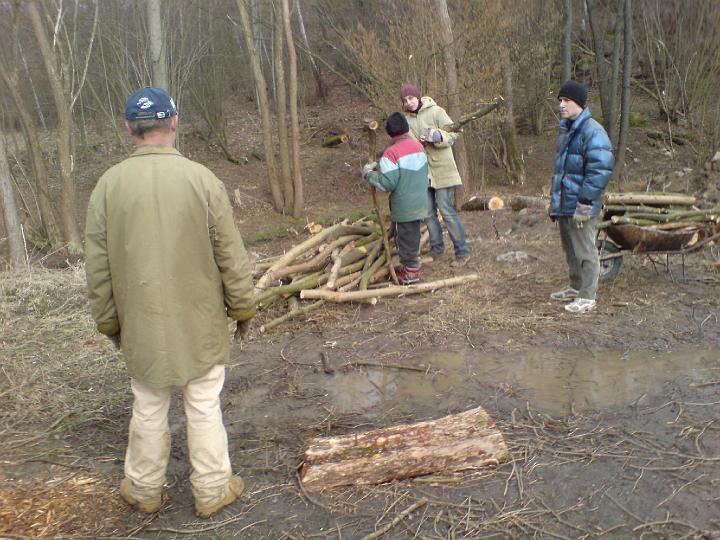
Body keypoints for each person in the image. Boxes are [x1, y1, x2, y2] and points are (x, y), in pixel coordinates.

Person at [85, 87, 256, 517]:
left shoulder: (108, 186)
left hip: (141, 322)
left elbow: (98, 269)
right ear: (174, 123)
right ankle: (213, 488)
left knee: (147, 402)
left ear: (129, 128)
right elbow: (230, 256)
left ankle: (143, 488)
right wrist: (242, 307)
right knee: (202, 402)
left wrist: (109, 322)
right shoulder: (202, 180)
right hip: (199, 320)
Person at [549, 80, 614, 314]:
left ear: (579, 103)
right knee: (570, 249)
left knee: (586, 250)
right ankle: (576, 287)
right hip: (566, 202)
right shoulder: (567, 129)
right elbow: (563, 170)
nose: (562, 106)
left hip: (582, 204)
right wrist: (556, 203)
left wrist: (585, 201)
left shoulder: (592, 130)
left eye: (566, 101)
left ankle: (587, 296)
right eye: (560, 101)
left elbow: (601, 169)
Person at [399, 83, 470, 267]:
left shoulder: (436, 111)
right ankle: (437, 249)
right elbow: (406, 144)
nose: (409, 102)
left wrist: (439, 136)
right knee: (428, 213)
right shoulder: (405, 120)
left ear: (418, 97)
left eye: (411, 98)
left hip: (443, 169)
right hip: (422, 172)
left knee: (446, 210)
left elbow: (454, 133)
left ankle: (462, 251)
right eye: (405, 100)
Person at [362, 112, 429, 284]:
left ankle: (412, 274)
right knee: (412, 237)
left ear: (389, 132)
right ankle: (412, 267)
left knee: (405, 240)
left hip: (404, 206)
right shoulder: (418, 147)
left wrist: (369, 174)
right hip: (421, 201)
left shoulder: (390, 154)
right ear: (406, 128)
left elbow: (387, 184)